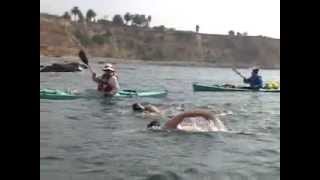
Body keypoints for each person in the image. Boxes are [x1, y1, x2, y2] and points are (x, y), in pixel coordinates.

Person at [146, 110, 227, 132]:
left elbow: (183, 115)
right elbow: (183, 115)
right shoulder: (167, 126)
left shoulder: (166, 127)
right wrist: (207, 115)